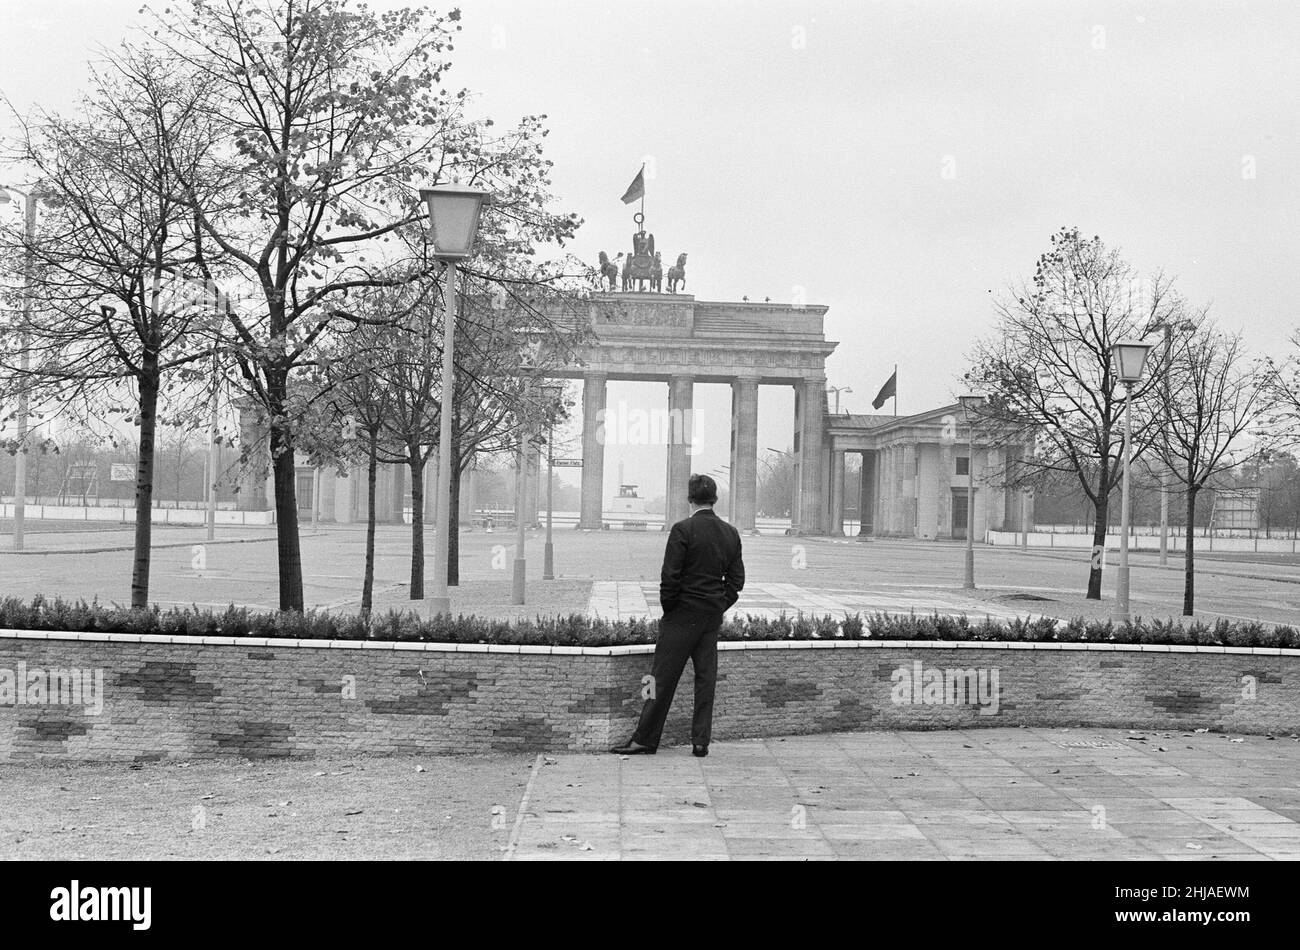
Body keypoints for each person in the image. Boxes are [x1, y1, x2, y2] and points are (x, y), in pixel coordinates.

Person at [610, 474, 745, 758]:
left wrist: (671, 609)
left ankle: (644, 738)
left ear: (689, 499)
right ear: (715, 499)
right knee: (706, 679)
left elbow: (669, 577)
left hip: (681, 616)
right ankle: (700, 741)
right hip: (710, 618)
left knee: (658, 679)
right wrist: (718, 605)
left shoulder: (682, 530)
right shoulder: (730, 533)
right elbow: (736, 581)